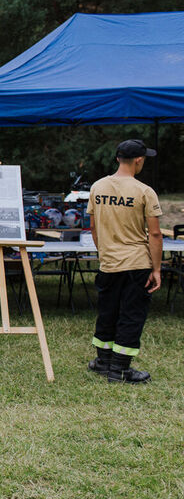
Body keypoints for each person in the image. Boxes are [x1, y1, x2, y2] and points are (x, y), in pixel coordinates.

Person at [86, 139, 162, 383]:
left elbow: (94, 228)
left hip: (109, 262)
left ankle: (103, 361)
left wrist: (105, 253)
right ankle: (120, 370)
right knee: (131, 314)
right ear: (138, 160)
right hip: (136, 263)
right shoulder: (144, 191)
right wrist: (157, 269)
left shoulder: (98, 187)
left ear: (118, 158)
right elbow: (155, 234)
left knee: (107, 311)